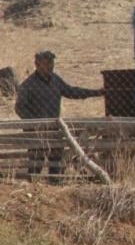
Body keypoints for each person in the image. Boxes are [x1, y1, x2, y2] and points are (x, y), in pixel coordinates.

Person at [15, 50, 105, 180]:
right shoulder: (28, 85)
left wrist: (96, 93)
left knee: (56, 160)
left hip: (54, 128)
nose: (50, 66)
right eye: (47, 63)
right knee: (36, 161)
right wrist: (34, 123)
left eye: (52, 63)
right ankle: (31, 186)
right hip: (36, 131)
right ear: (37, 64)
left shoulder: (55, 80)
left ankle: (55, 182)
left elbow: (72, 91)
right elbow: (19, 108)